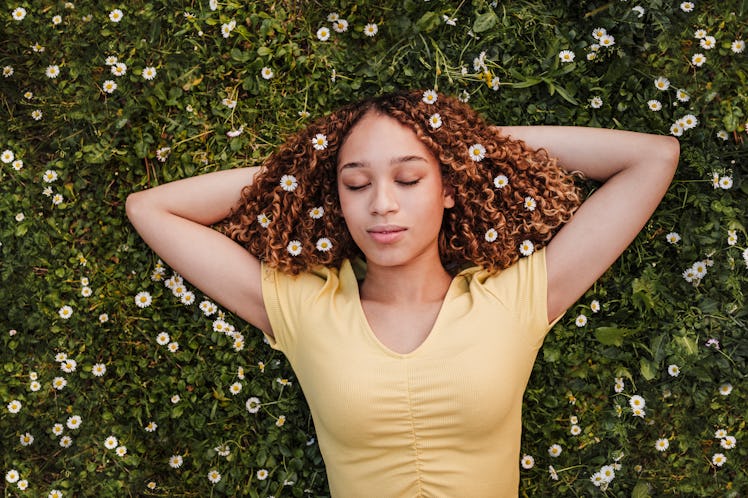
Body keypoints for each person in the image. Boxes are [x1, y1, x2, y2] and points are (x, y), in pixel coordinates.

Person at [126, 89, 679, 497]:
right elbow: (150, 208)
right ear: (336, 199)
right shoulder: (303, 308)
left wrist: (471, 149)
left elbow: (653, 157)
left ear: (449, 188)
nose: (382, 204)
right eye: (356, 184)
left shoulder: (515, 298)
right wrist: (306, 170)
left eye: (410, 179)